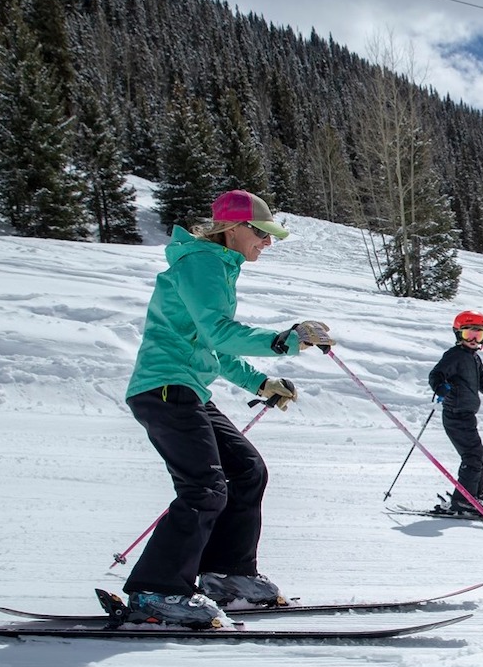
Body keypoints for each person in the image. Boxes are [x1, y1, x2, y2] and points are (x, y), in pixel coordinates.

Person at [121, 189, 333, 628]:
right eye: (261, 233)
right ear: (232, 227)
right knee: (204, 489)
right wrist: (286, 339)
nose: (268, 243)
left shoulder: (215, 265)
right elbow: (220, 332)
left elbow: (210, 345)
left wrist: (260, 382)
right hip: (164, 388)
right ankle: (156, 591)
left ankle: (226, 576)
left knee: (247, 470)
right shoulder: (202, 262)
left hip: (188, 388)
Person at [427, 310, 483, 515]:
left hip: (466, 414)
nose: (474, 339)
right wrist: (440, 387)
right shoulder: (455, 356)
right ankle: (464, 500)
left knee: (476, 455)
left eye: (479, 334)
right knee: (473, 456)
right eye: (469, 334)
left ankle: (474, 495)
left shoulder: (474, 358)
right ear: (458, 334)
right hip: (455, 414)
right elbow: (436, 375)